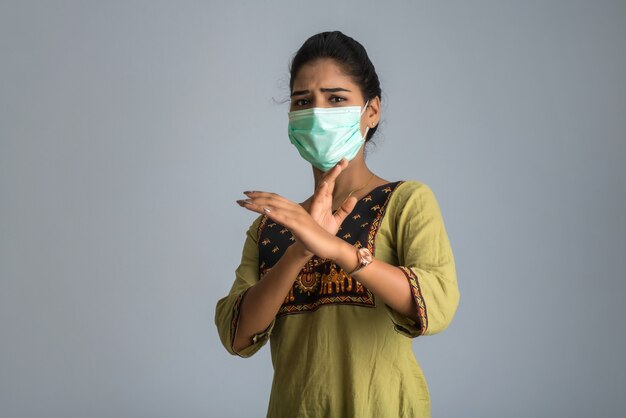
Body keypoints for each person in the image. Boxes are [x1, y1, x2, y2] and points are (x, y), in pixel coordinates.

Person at [215, 31, 460, 418]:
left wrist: (337, 250)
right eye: (302, 101)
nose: (317, 112)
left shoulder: (406, 202)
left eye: (336, 99)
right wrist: (301, 249)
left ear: (372, 111)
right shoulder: (274, 227)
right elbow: (237, 334)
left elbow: (436, 302)